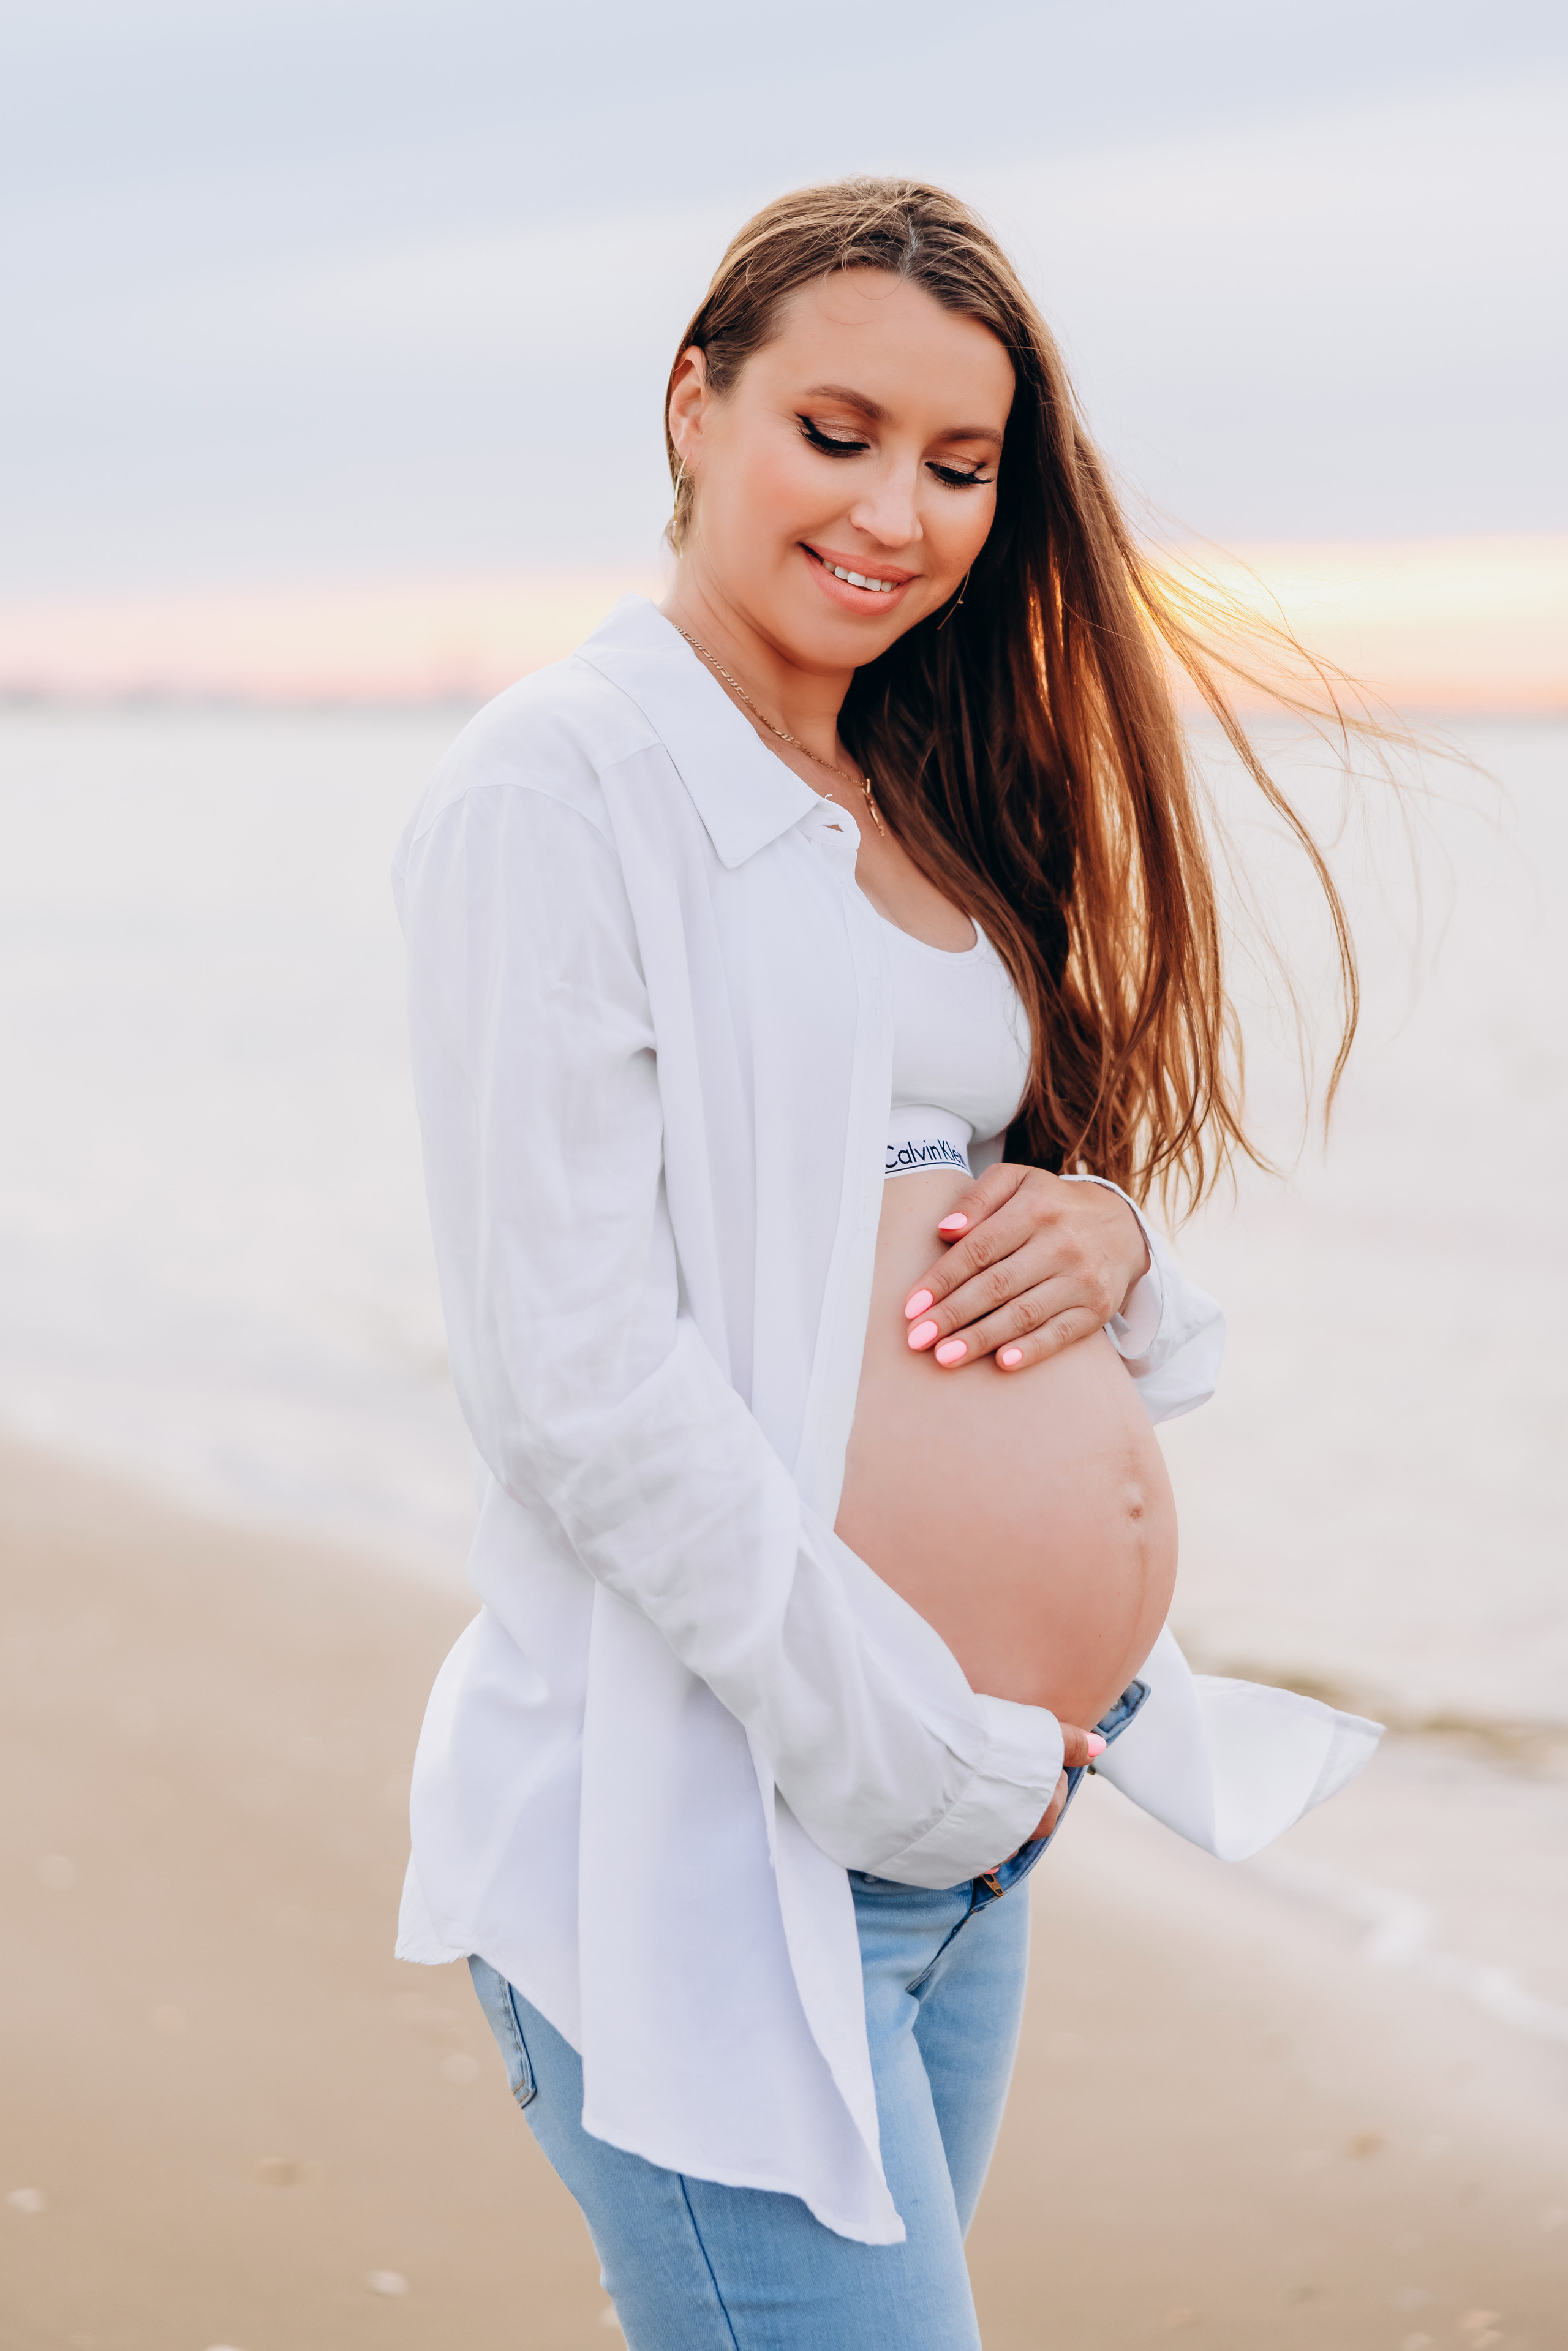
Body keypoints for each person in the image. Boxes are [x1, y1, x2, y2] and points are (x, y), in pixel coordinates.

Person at [392, 178, 1381, 2349]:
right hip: (716, 1842)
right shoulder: (560, 789)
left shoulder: (910, 792)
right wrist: (904, 1750)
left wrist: (1115, 1238)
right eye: (836, 431)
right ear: (692, 406)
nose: (897, 511)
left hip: (956, 1851)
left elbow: (973, 1219)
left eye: (961, 464)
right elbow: (575, 1380)